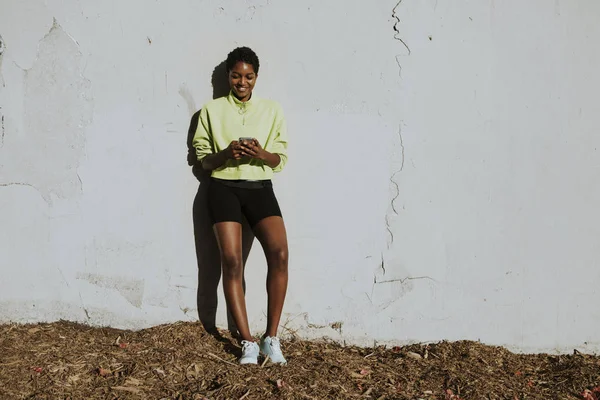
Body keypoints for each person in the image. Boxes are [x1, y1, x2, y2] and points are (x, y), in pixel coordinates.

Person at [192, 47, 289, 365]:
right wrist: (227, 154)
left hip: (260, 188)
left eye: (248, 76)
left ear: (256, 78)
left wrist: (260, 153)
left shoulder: (272, 110)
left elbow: (280, 159)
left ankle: (270, 338)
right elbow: (204, 161)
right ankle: (246, 341)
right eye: (236, 75)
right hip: (222, 189)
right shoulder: (211, 110)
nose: (242, 82)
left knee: (279, 255)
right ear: (228, 77)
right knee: (231, 261)